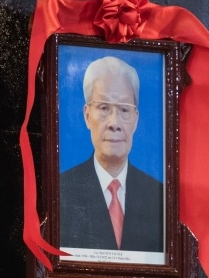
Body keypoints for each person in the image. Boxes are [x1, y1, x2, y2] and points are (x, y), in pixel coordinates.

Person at [59, 55, 164, 253]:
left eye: (124, 110)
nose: (114, 123)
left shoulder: (160, 198)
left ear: (135, 120)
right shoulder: (61, 191)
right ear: (87, 116)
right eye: (104, 108)